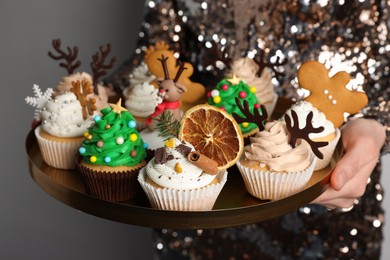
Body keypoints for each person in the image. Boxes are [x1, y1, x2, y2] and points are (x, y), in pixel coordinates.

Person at [106, 0, 389, 259]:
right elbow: (154, 58)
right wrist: (105, 92)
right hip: (197, 211)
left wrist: (375, 125)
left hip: (332, 232)